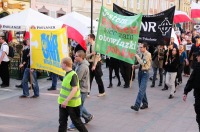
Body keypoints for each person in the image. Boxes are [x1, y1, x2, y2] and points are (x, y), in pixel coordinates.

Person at [58, 57, 88, 132]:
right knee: (62, 122)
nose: (60, 65)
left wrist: (66, 101)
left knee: (77, 122)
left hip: (72, 104)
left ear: (65, 64)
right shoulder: (67, 74)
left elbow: (74, 89)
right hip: (63, 103)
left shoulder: (73, 75)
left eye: (61, 64)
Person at [68, 50, 94, 131]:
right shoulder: (79, 64)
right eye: (75, 56)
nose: (74, 57)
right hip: (81, 89)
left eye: (76, 56)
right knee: (80, 106)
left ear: (81, 57)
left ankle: (75, 124)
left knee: (77, 108)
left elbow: (77, 79)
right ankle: (88, 116)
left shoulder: (83, 66)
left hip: (82, 89)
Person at [131, 42, 152, 111]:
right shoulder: (142, 54)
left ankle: (137, 105)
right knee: (142, 89)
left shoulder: (148, 54)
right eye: (139, 47)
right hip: (140, 73)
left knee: (141, 90)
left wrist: (137, 56)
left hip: (145, 73)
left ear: (145, 47)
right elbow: (141, 65)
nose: (140, 48)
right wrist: (135, 66)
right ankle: (145, 103)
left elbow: (143, 63)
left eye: (141, 47)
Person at [183, 51, 200, 131]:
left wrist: (186, 92)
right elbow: (191, 80)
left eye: (198, 56)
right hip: (198, 95)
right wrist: (186, 91)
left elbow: (191, 80)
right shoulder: (197, 67)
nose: (196, 57)